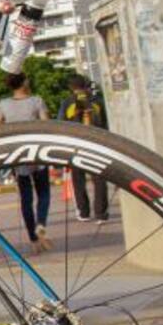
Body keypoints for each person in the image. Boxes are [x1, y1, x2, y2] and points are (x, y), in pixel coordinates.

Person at [0, 73, 52, 253]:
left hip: (18, 155)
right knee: (43, 193)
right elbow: (46, 124)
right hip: (38, 152)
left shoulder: (3, 104)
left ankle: (33, 240)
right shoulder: (36, 101)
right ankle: (41, 222)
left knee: (26, 199)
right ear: (25, 82)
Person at [59, 74, 110, 222]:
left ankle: (84, 212)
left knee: (78, 180)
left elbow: (61, 125)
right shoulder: (98, 102)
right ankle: (101, 214)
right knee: (99, 180)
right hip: (96, 145)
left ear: (70, 88)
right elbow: (106, 125)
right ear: (86, 85)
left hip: (75, 146)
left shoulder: (67, 103)